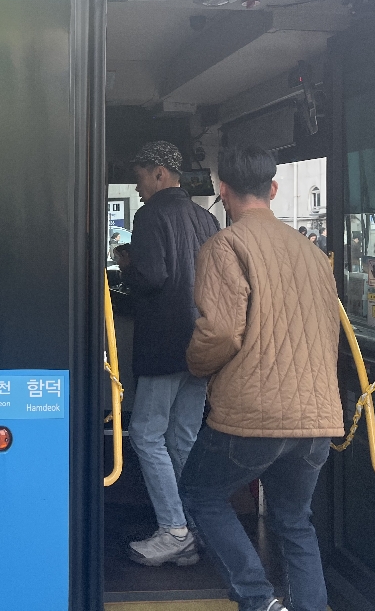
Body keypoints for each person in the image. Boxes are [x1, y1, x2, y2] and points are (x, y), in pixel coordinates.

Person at [182, 145, 343, 611]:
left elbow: (219, 331)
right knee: (294, 520)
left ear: (223, 190)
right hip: (317, 416)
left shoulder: (225, 245)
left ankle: (259, 600)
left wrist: (195, 364)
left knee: (200, 493)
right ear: (272, 189)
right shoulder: (312, 252)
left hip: (253, 413)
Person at [114, 140, 219, 567]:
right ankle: (191, 526)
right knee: (183, 437)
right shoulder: (206, 219)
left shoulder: (151, 215)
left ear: (159, 173)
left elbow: (153, 276)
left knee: (145, 434)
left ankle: (173, 529)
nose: (137, 188)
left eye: (139, 178)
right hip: (202, 343)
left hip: (164, 343)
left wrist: (127, 268)